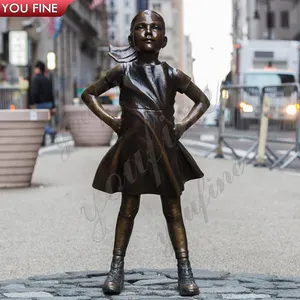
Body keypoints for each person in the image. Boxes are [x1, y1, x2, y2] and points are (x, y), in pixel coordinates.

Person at [81, 10, 210, 297]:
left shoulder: (172, 74)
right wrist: (113, 121)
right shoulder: (122, 72)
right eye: (141, 27)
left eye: (155, 28)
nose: (149, 32)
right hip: (133, 148)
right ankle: (116, 268)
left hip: (165, 148)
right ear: (131, 38)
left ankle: (185, 269)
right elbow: (89, 94)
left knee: (173, 209)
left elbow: (203, 100)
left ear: (164, 39)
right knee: (128, 207)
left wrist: (183, 126)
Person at [29, 60, 56, 146]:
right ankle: (43, 140)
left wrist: (32, 102)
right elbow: (51, 93)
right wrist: (53, 106)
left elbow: (34, 92)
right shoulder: (47, 79)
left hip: (40, 104)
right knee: (45, 122)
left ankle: (51, 132)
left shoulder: (36, 79)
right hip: (49, 104)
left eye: (35, 68)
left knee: (40, 123)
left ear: (38, 69)